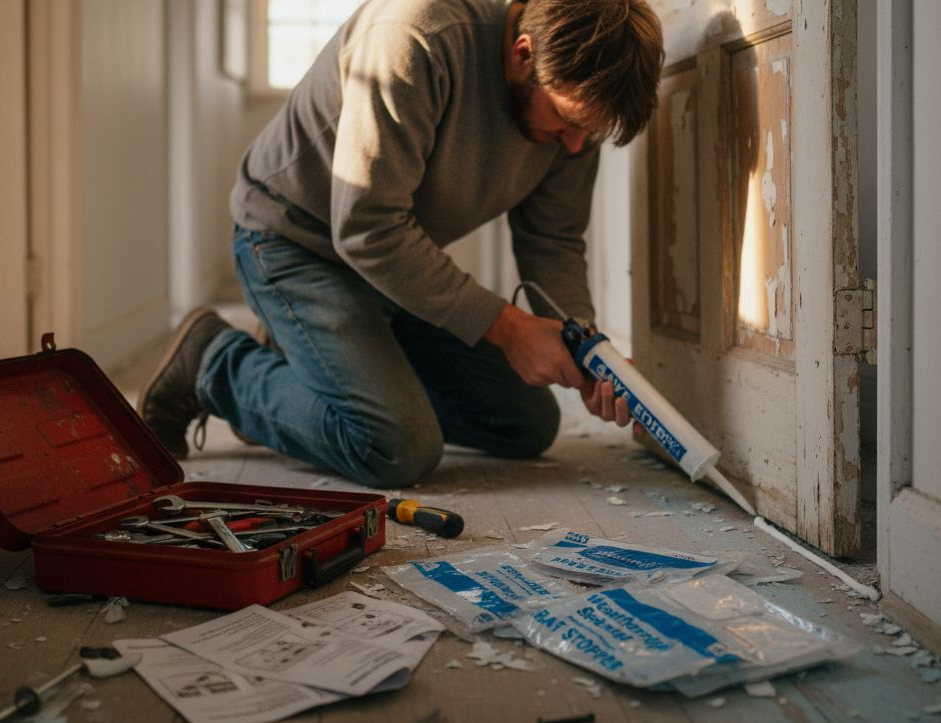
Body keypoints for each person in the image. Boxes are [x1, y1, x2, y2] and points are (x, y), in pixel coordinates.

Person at [139, 0, 664, 488]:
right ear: (524, 55)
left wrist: (586, 350)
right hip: (292, 241)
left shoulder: (574, 113)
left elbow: (553, 238)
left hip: (389, 265)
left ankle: (305, 382)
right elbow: (367, 227)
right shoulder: (414, 38)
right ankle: (214, 360)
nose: (575, 144)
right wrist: (507, 328)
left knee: (525, 424)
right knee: (395, 448)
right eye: (568, 121)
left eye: (589, 132)